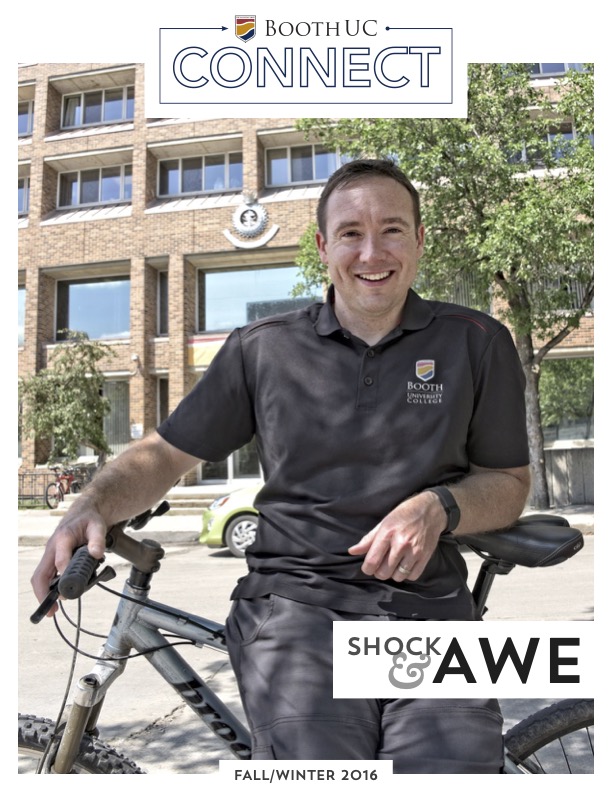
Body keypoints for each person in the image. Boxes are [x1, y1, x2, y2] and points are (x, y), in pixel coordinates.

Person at [32, 159, 531, 773]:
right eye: (351, 232)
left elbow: (508, 484)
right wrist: (91, 506)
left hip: (430, 606)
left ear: (419, 241)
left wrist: (442, 506)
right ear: (323, 247)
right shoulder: (262, 349)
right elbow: (163, 454)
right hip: (296, 608)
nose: (371, 251)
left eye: (393, 229)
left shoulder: (476, 342)